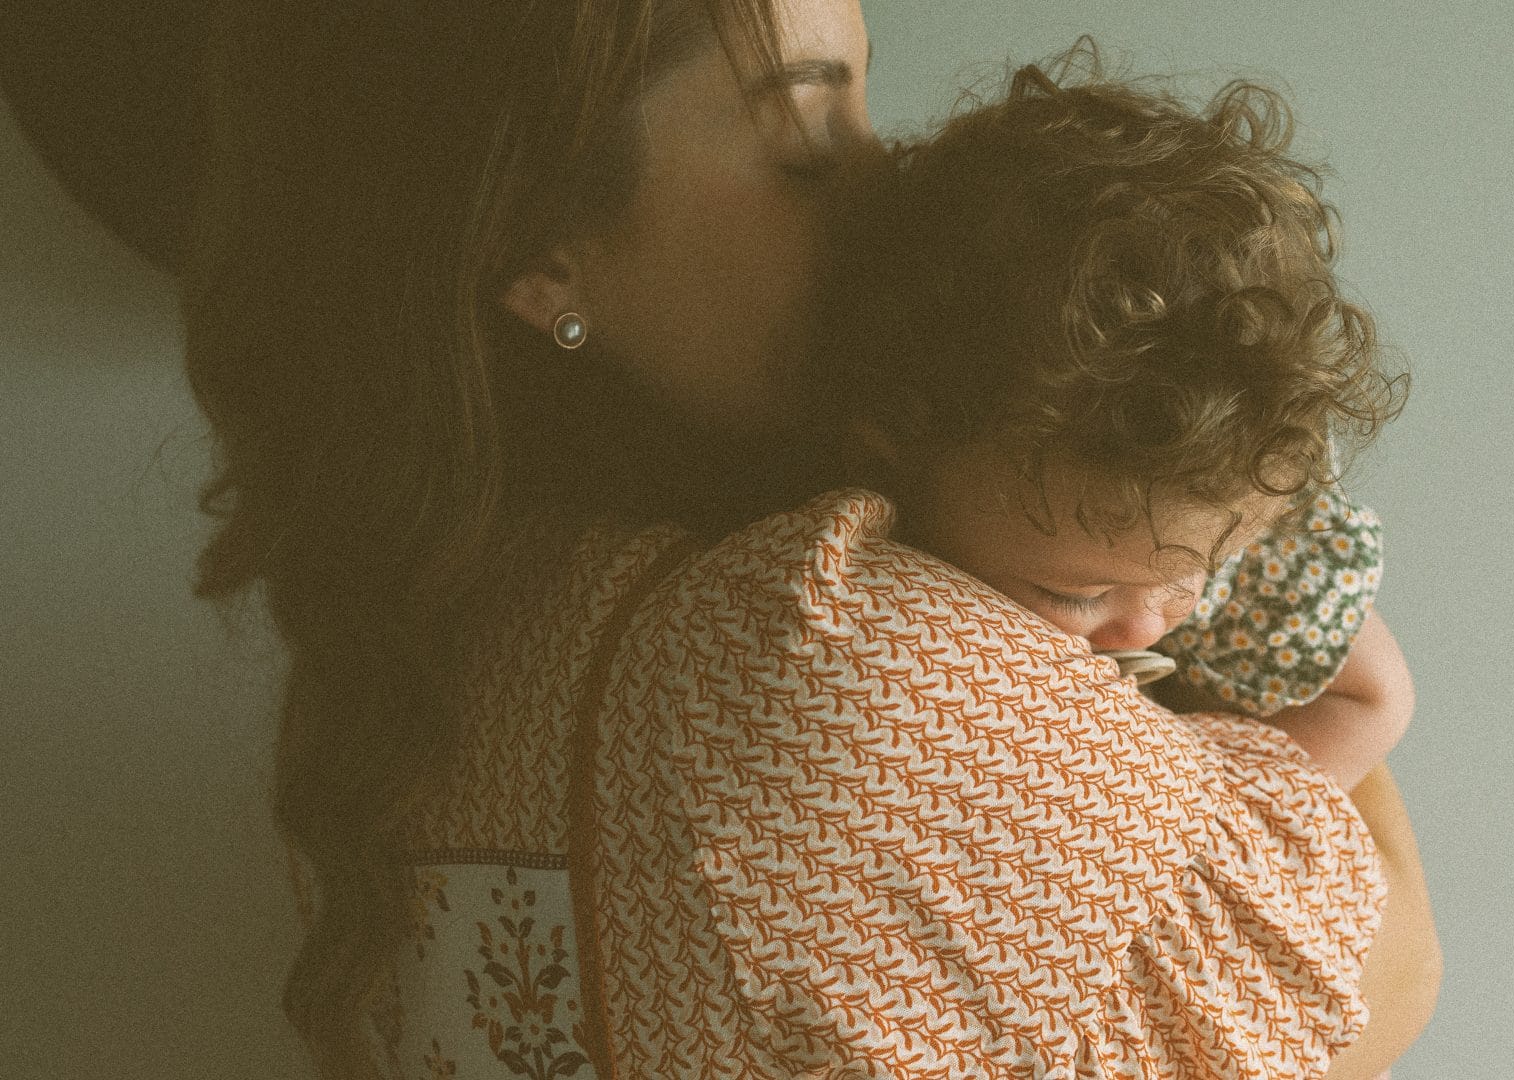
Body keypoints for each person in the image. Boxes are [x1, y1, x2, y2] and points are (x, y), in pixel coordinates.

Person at [180, 2, 1440, 1079]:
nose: (893, 184)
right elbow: (1380, 979)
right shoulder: (808, 660)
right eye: (803, 146)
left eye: (866, 111)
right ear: (539, 257)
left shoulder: (391, 666)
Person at [807, 55, 1415, 801]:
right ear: (894, 461)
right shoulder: (843, 569)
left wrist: (1208, 803)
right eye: (1075, 593)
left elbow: (1376, 698)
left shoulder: (1233, 552)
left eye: (1186, 579)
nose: (1143, 626)